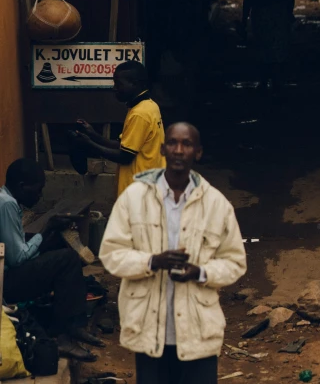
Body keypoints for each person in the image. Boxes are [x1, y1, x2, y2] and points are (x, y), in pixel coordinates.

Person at [99, 122, 247, 384]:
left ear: (198, 153)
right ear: (162, 149)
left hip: (198, 330)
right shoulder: (134, 198)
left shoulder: (216, 205)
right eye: (173, 143)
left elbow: (235, 262)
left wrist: (200, 272)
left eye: (186, 144)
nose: (179, 150)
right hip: (148, 330)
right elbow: (111, 254)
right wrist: (152, 261)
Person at [0, 158, 102, 361]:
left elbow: (18, 249)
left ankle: (72, 326)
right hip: (5, 285)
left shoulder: (8, 200)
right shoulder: (6, 205)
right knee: (66, 260)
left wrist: (49, 237)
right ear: (22, 186)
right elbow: (18, 258)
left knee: (59, 250)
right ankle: (66, 335)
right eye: (37, 190)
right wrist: (47, 228)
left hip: (9, 275)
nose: (39, 195)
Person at [75, 60, 165, 196]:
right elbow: (124, 145)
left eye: (118, 83)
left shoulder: (140, 114)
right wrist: (93, 135)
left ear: (134, 84)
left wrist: (89, 144)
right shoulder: (150, 106)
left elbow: (125, 156)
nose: (114, 88)